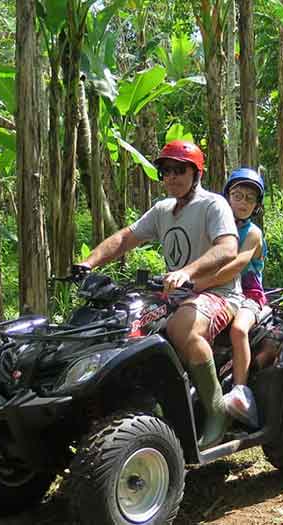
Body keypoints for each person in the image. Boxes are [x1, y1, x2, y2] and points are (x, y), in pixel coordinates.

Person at [79, 140, 240, 449]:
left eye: (180, 170)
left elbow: (228, 248)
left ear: (197, 173)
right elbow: (125, 238)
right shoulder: (163, 210)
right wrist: (88, 262)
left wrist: (187, 272)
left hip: (217, 292)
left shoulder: (213, 204)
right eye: (165, 171)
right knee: (124, 327)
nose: (171, 177)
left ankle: (217, 411)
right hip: (174, 295)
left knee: (183, 328)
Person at [194, 168, 267, 428]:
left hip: (249, 296)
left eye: (250, 198)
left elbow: (237, 265)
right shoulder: (216, 227)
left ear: (257, 205)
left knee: (238, 330)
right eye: (237, 196)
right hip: (215, 292)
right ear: (227, 197)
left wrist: (202, 282)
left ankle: (240, 392)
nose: (243, 202)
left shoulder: (253, 233)